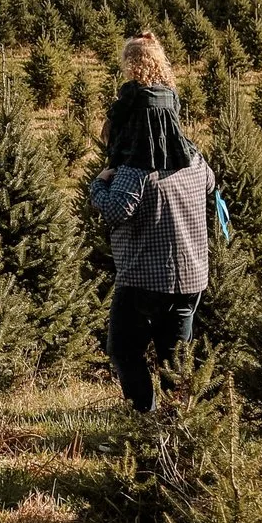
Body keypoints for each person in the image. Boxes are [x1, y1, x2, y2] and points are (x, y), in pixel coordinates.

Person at [88, 64, 215, 413]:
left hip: (145, 281)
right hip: (190, 280)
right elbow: (209, 184)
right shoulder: (194, 161)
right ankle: (180, 428)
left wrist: (98, 184)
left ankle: (144, 417)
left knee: (124, 350)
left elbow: (116, 210)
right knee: (175, 361)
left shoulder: (135, 169)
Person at [103, 34, 193, 173]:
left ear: (131, 62)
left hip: (139, 153)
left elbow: (116, 116)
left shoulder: (132, 90)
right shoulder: (170, 91)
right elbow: (175, 117)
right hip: (169, 154)